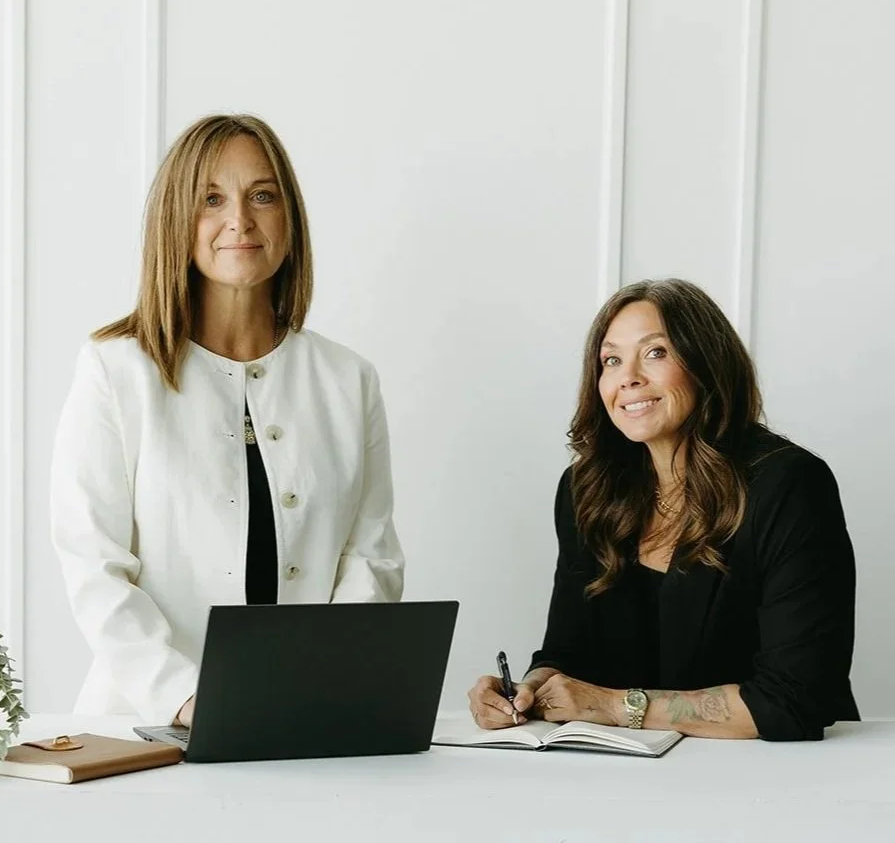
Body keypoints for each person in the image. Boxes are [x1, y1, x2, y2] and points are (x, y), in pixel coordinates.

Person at [51, 113, 404, 724]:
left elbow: (370, 559)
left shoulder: (350, 381)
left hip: (306, 719)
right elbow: (93, 563)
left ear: (288, 219)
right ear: (176, 221)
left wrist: (327, 678)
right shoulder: (115, 371)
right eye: (210, 198)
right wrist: (188, 698)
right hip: (146, 730)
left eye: (261, 196)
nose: (239, 220)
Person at [468, 279, 858, 741]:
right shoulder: (585, 489)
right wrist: (528, 689)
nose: (628, 377)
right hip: (627, 771)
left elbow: (794, 699)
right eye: (611, 360)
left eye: (656, 353)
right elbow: (568, 650)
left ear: (706, 365)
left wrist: (615, 706)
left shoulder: (790, 484)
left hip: (772, 776)